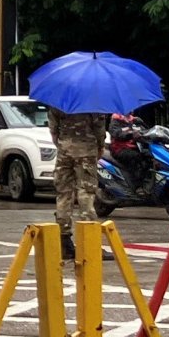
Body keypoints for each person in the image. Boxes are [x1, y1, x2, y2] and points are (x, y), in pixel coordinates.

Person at [48, 103, 110, 245]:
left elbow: (53, 130)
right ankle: (90, 241)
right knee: (86, 191)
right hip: (86, 150)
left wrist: (62, 144)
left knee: (64, 193)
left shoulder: (58, 101)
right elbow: (99, 129)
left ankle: (63, 240)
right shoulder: (94, 102)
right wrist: (100, 146)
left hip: (64, 150)